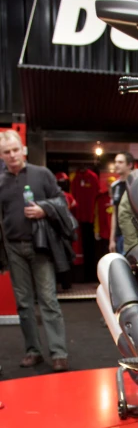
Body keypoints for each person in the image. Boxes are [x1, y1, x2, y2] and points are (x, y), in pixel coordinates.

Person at [0, 130, 69, 371]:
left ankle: (58, 352)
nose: (12, 155)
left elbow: (62, 201)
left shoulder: (42, 174)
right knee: (24, 303)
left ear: (23, 150)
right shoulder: (1, 181)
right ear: (1, 156)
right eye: (6, 152)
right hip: (13, 248)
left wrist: (44, 209)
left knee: (48, 300)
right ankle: (33, 350)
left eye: (15, 150)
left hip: (40, 245)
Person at [109, 152, 134, 254]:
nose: (116, 165)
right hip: (119, 236)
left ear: (129, 165)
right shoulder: (115, 186)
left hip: (134, 235)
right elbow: (114, 213)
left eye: (120, 162)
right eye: (115, 162)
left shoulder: (136, 183)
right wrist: (111, 240)